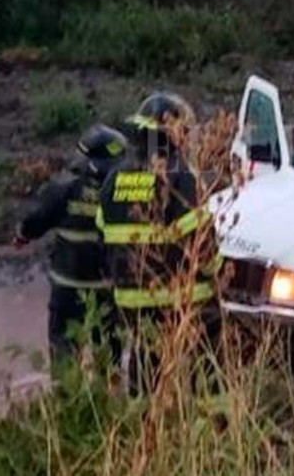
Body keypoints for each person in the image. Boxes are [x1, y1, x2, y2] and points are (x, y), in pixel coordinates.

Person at [96, 92, 218, 381]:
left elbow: (102, 240)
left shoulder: (114, 178)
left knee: (145, 362)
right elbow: (205, 248)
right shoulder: (182, 179)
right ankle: (214, 419)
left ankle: (147, 417)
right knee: (207, 364)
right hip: (179, 300)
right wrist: (221, 277)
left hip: (130, 301)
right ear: (173, 135)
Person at [14, 124, 128, 363]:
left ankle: (67, 398)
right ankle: (107, 397)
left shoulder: (64, 188)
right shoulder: (122, 194)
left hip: (67, 289)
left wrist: (22, 235)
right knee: (108, 357)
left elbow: (36, 221)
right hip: (106, 290)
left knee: (64, 354)